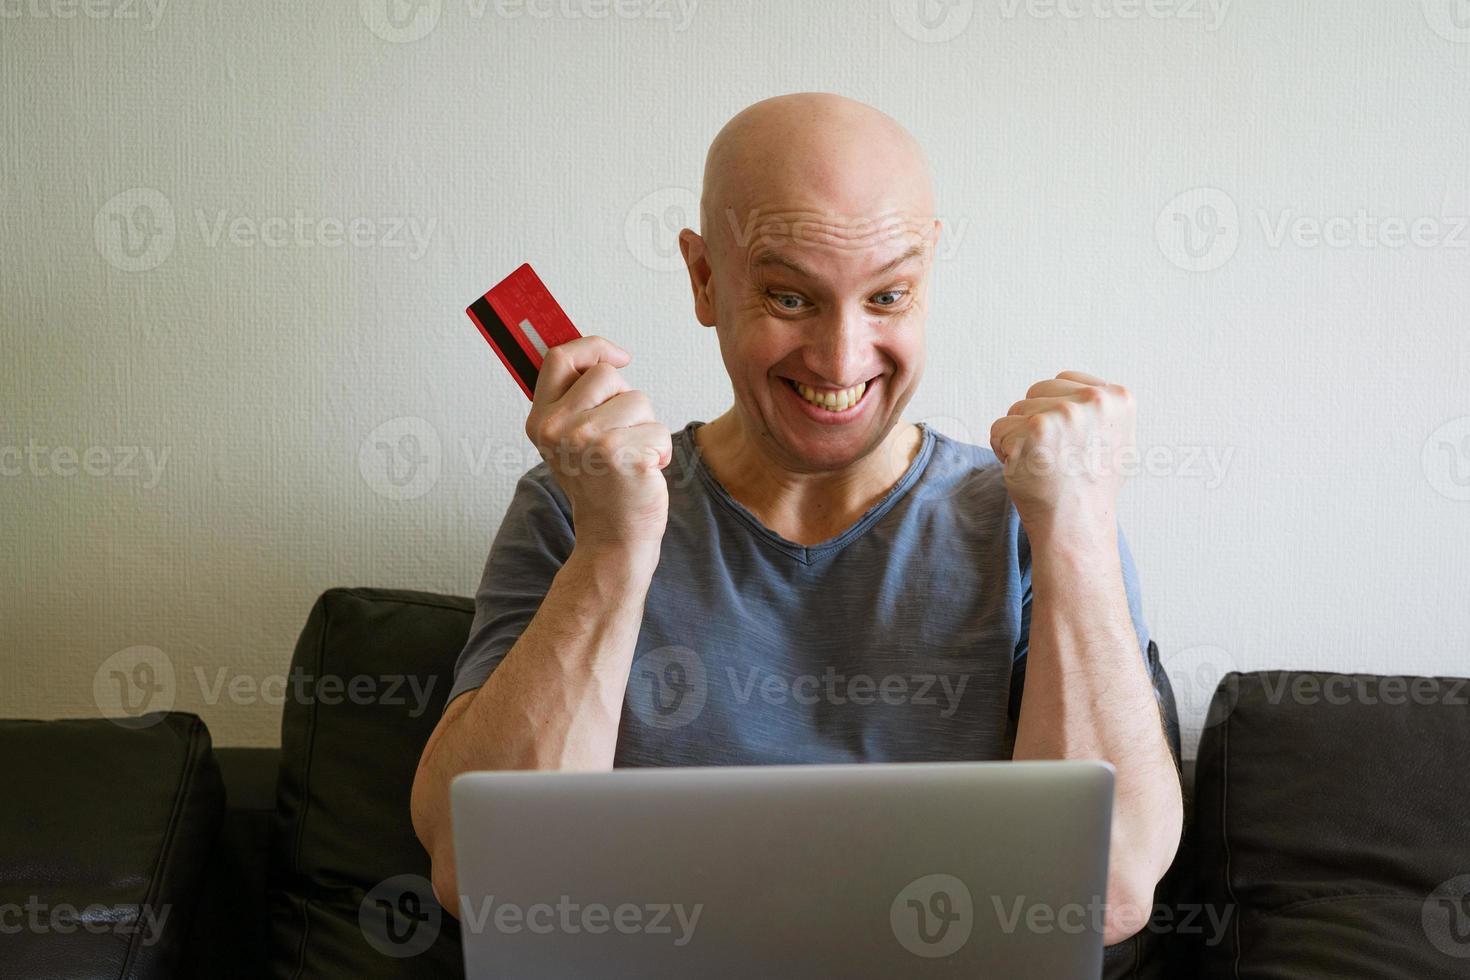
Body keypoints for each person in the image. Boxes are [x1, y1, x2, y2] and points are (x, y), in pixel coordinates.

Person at [411, 92, 1183, 945]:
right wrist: (614, 547)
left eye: (888, 297)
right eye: (789, 299)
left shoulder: (1034, 520)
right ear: (706, 279)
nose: (842, 359)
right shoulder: (575, 506)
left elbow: (1105, 896)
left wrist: (1075, 529)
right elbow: (480, 874)